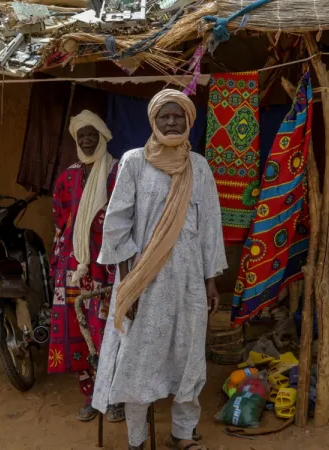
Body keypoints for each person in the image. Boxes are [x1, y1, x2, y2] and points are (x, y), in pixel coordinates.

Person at [92, 89, 227, 450]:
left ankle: (182, 434)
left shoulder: (199, 166)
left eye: (178, 116)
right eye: (165, 116)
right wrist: (127, 286)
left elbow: (210, 226)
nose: (171, 122)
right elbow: (118, 223)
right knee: (139, 362)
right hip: (144, 282)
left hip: (188, 284)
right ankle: (137, 440)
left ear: (188, 121)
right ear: (153, 120)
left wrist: (211, 281)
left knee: (189, 361)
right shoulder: (134, 162)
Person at [48, 110, 124, 423]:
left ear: (104, 136)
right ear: (76, 139)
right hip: (73, 268)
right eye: (82, 135)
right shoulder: (67, 177)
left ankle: (115, 397)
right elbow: (59, 220)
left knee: (109, 331)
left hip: (107, 266)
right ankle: (92, 396)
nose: (88, 139)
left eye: (93, 133)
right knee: (78, 331)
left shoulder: (118, 171)